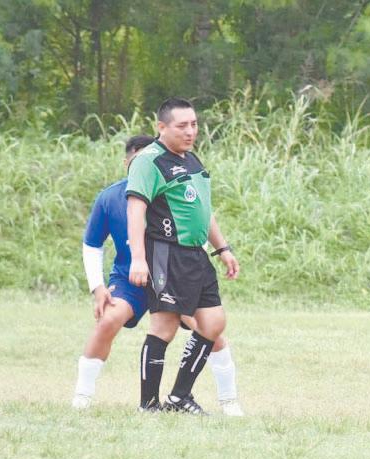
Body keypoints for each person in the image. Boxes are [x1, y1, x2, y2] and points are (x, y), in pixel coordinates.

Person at [71, 135, 244, 416]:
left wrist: (220, 250)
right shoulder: (111, 198)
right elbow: (92, 244)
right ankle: (82, 398)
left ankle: (228, 401)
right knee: (108, 320)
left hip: (171, 275)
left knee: (211, 331)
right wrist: (97, 287)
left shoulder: (171, 187)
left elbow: (198, 217)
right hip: (132, 279)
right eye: (138, 161)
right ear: (127, 163)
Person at [127, 97, 241, 415]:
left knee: (213, 323)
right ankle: (149, 405)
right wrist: (138, 258)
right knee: (164, 327)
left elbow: (203, 209)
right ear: (161, 127)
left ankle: (179, 397)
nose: (190, 131)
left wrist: (222, 248)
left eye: (194, 124)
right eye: (182, 126)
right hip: (166, 252)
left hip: (196, 255)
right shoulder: (149, 161)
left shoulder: (191, 159)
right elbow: (135, 210)